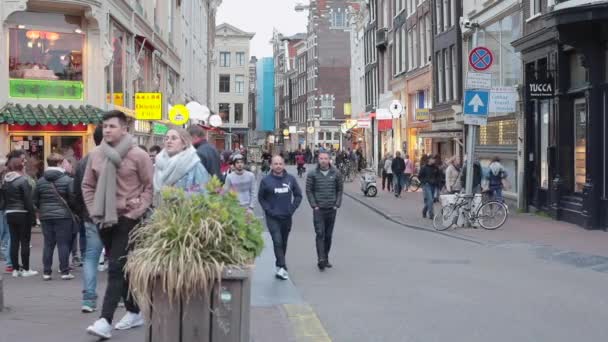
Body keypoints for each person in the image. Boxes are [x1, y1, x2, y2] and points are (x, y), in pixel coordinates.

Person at [83, 111, 153, 339]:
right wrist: (95, 211)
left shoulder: (138, 155)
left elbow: (149, 187)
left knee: (114, 267)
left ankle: (105, 320)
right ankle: (134, 310)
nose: (108, 130)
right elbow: (87, 185)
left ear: (124, 129)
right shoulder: (96, 154)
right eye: (105, 126)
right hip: (104, 218)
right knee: (121, 268)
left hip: (128, 219)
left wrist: (136, 211)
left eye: (112, 126)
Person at [257, 155, 302, 280]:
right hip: (272, 217)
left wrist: (291, 209)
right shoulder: (266, 181)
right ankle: (282, 266)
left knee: (283, 241)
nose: (278, 166)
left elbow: (298, 196)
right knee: (277, 241)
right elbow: (261, 198)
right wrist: (268, 210)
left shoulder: (290, 179)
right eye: (275, 164)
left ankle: (279, 264)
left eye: (280, 164)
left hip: (286, 216)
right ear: (271, 165)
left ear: (283, 165)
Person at [34, 153, 77, 280]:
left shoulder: (40, 181)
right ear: (59, 163)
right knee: (63, 244)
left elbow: (35, 200)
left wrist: (42, 210)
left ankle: (46, 272)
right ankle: (64, 272)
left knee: (48, 244)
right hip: (64, 216)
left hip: (46, 216)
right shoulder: (68, 180)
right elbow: (72, 199)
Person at [77, 125, 104, 314]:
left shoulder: (83, 161)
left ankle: (88, 299)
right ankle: (119, 295)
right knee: (118, 256)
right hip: (115, 216)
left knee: (91, 257)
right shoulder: (118, 157)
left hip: (90, 217)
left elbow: (74, 191)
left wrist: (83, 212)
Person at [305, 151, 343, 271]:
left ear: (329, 160)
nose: (323, 160)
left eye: (325, 158)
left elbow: (340, 190)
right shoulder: (312, 174)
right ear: (318, 159)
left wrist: (337, 204)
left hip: (331, 209)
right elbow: (309, 190)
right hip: (318, 209)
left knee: (328, 235)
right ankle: (321, 259)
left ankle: (326, 257)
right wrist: (314, 205)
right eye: (321, 158)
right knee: (320, 233)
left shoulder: (336, 173)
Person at [2, 152, 37, 277]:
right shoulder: (23, 180)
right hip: (23, 213)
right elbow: (28, 200)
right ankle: (26, 269)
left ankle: (15, 269)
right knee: (25, 241)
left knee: (14, 241)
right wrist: (33, 217)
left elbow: (4, 199)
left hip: (10, 213)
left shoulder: (6, 181)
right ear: (21, 167)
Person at [153, 127, 210, 205]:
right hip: (162, 213)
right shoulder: (159, 163)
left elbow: (204, 193)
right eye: (166, 138)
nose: (169, 141)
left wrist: (176, 193)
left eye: (174, 138)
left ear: (184, 143)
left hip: (185, 214)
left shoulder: (193, 164)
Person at [0, 156, 13, 273]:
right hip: (3, 208)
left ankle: (4, 252)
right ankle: (5, 254)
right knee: (5, 232)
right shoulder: (6, 178)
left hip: (3, 208)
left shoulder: (5, 178)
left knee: (4, 232)